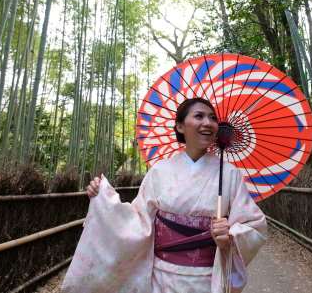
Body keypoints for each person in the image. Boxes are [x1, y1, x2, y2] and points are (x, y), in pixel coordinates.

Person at [61, 98, 267, 293]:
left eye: (213, 118)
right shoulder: (160, 171)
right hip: (163, 277)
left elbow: (254, 225)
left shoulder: (229, 173)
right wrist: (103, 200)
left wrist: (229, 235)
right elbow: (138, 220)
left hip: (208, 277)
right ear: (179, 126)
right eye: (199, 116)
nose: (208, 123)